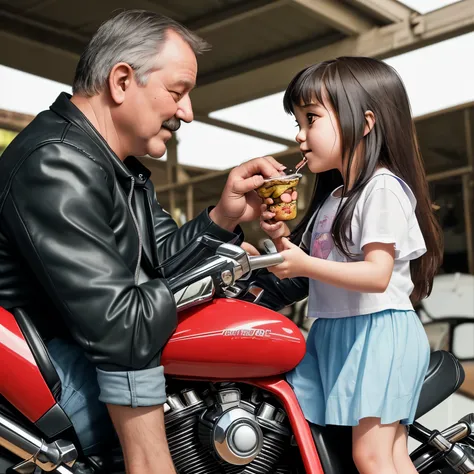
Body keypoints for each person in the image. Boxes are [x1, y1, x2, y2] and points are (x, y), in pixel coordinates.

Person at [0, 10, 286, 474]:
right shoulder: (56, 164)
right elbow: (122, 325)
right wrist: (216, 276)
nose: (187, 112)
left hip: (83, 353)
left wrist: (221, 217)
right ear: (120, 81)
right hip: (54, 374)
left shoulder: (120, 169)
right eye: (178, 92)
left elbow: (161, 264)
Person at [259, 57, 443, 474]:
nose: (300, 137)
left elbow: (377, 274)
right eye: (297, 122)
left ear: (364, 123)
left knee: (372, 456)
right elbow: (317, 262)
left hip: (377, 331)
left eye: (310, 119)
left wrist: (303, 263)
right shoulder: (336, 195)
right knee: (387, 456)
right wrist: (276, 242)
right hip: (340, 331)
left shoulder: (382, 189)